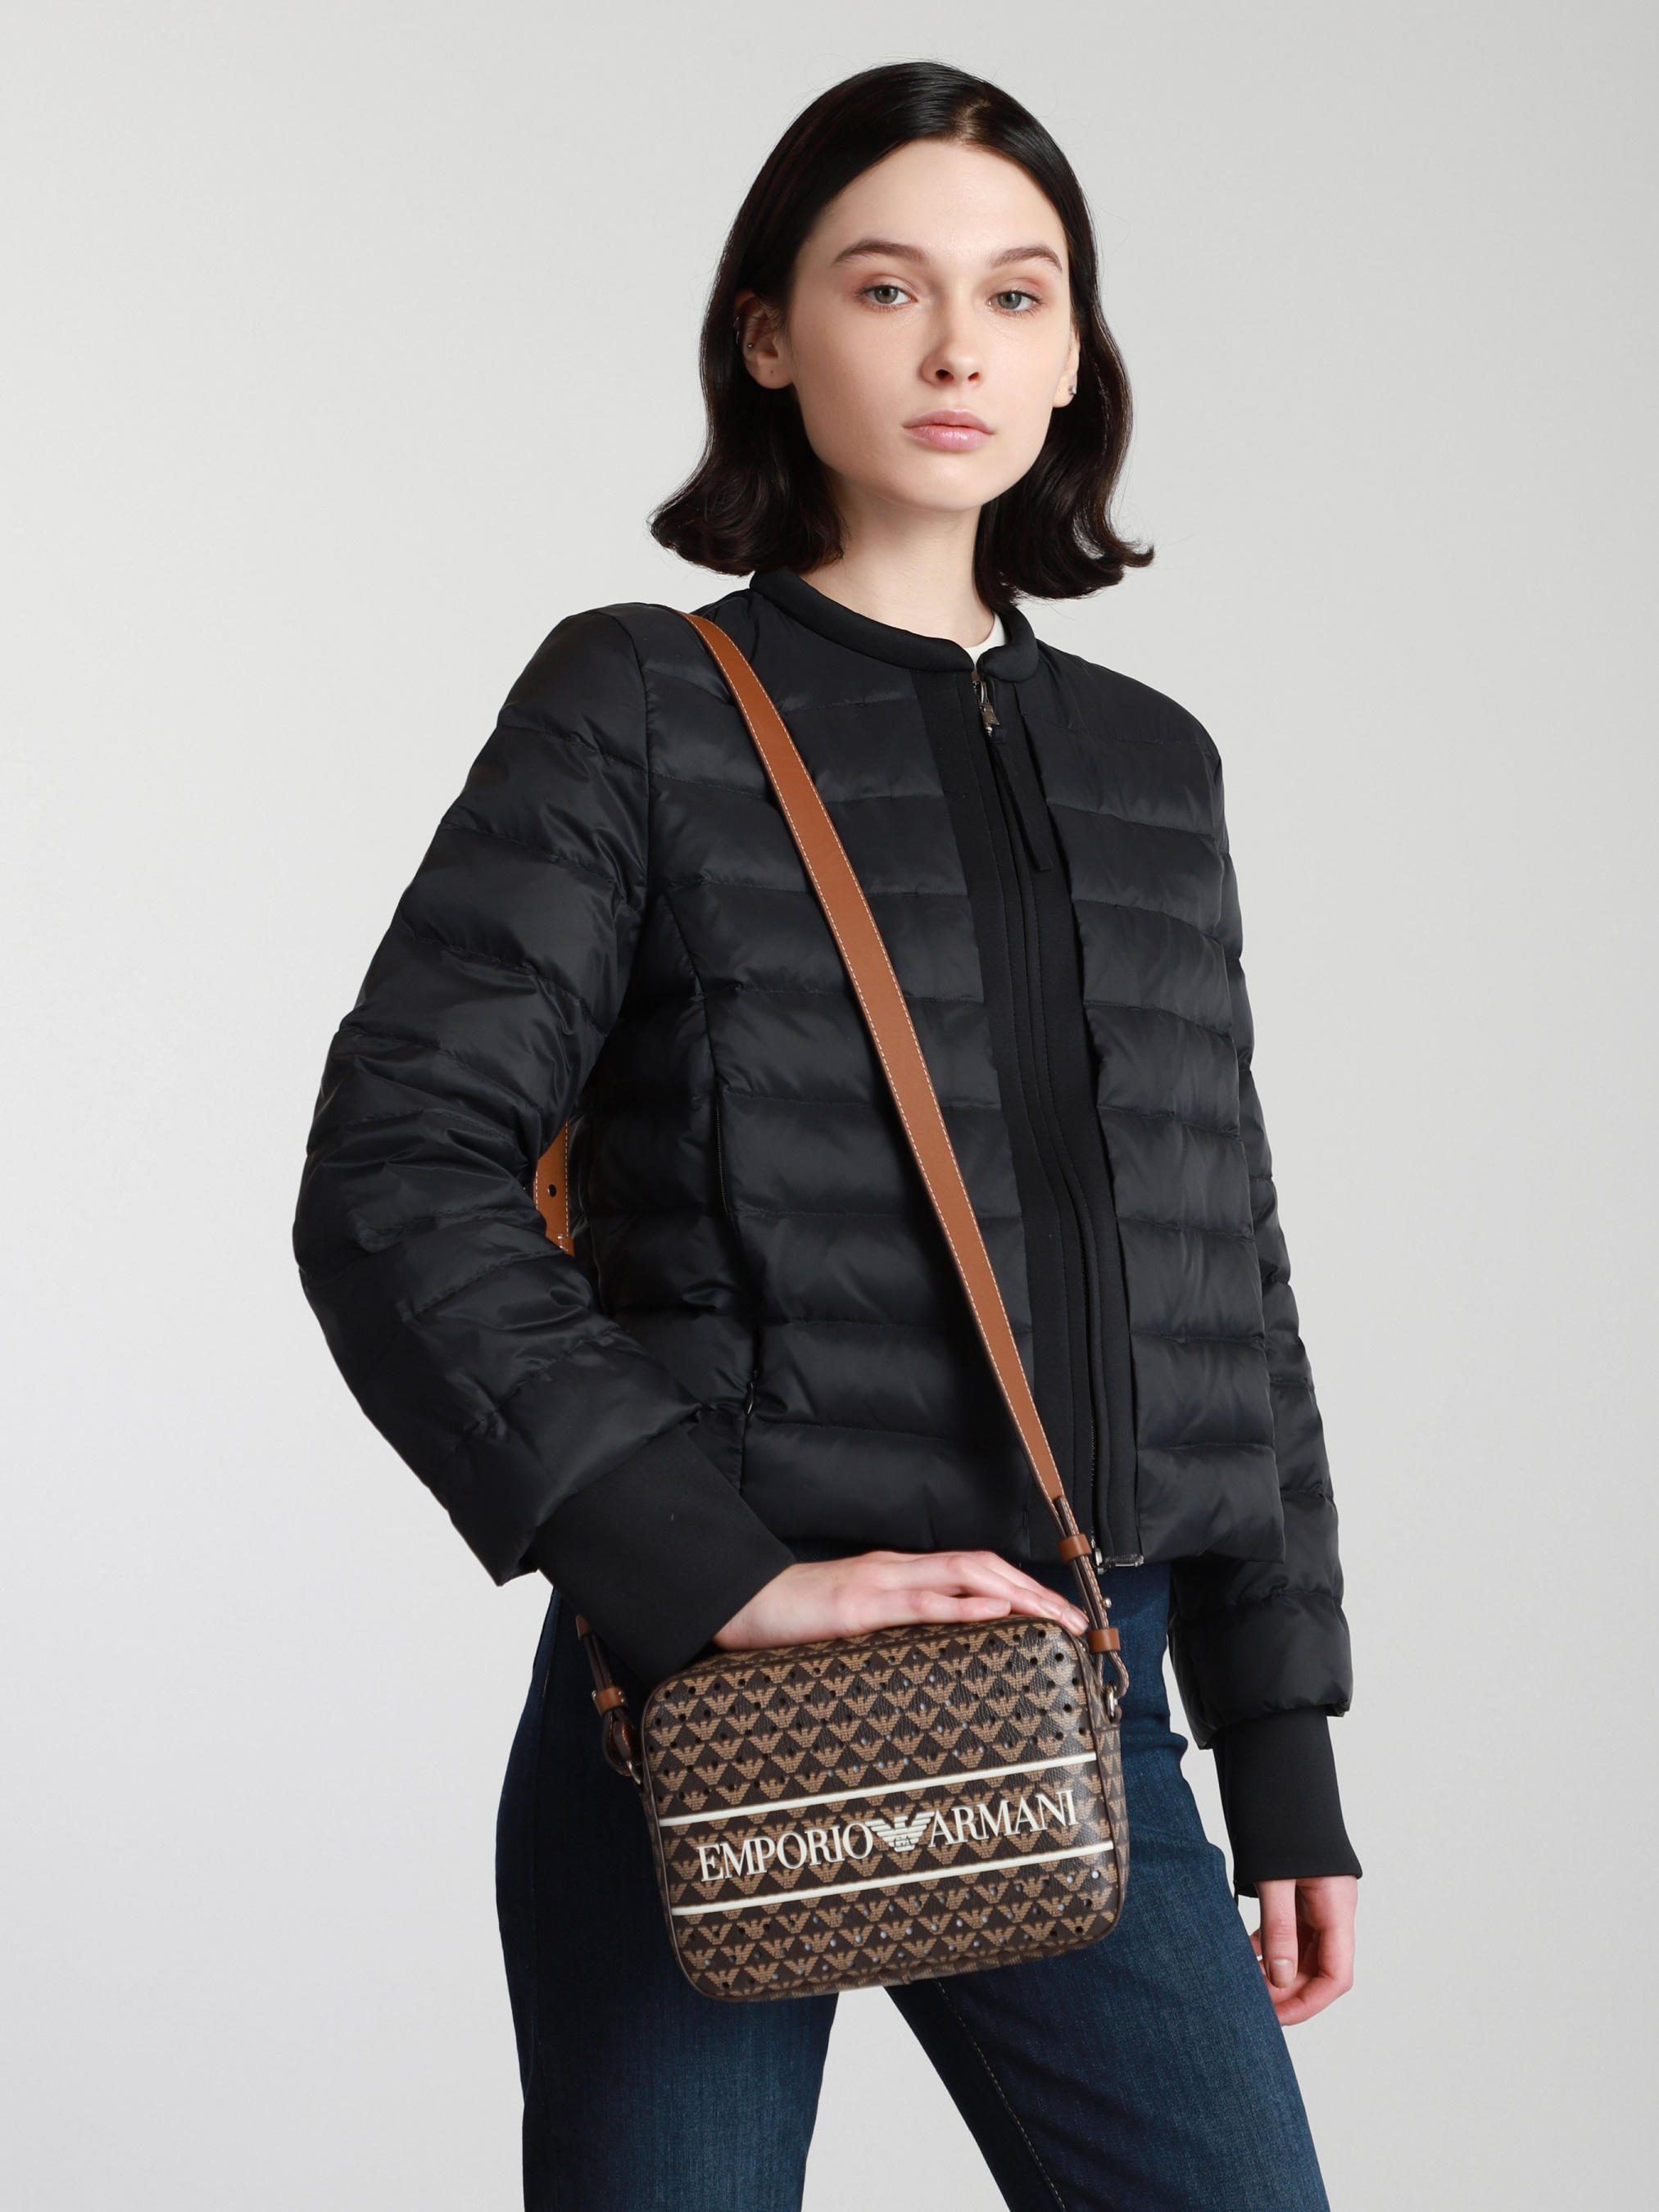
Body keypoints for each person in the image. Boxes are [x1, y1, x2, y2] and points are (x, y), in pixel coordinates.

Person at [295, 60, 1359, 2212]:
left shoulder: (1153, 766)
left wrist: (1280, 1742)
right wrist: (713, 1577)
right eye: (887, 288)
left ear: (1071, 355)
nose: (958, 347)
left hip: (1080, 1678)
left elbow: (1221, 1272)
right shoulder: (638, 704)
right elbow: (397, 1169)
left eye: (1017, 294)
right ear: (770, 335)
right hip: (706, 1686)